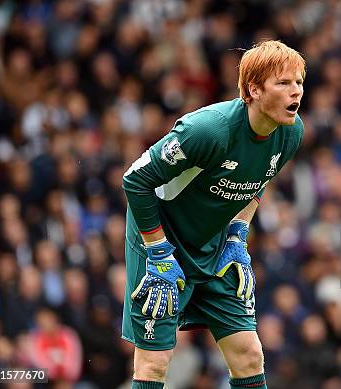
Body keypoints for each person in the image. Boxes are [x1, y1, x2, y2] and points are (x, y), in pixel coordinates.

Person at [121, 40, 305, 389]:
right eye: (283, 83)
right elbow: (135, 180)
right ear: (254, 89)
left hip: (216, 245)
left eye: (298, 83)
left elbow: (258, 179)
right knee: (155, 361)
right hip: (160, 243)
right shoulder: (208, 130)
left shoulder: (290, 132)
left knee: (249, 353)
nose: (295, 92)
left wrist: (238, 234)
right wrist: (158, 251)